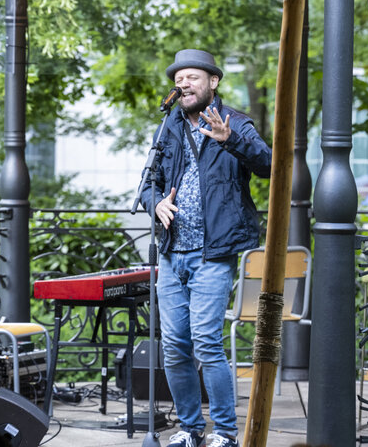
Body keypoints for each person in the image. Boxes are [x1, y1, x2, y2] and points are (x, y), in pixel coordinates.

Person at [140, 49, 272, 447]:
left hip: (213, 254)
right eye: (179, 79)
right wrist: (156, 202)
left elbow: (269, 164)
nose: (183, 84)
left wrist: (231, 140)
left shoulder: (236, 122)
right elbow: (147, 184)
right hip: (171, 251)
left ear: (213, 82)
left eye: (192, 77)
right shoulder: (168, 129)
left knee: (207, 343)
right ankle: (190, 429)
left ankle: (227, 434)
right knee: (175, 348)